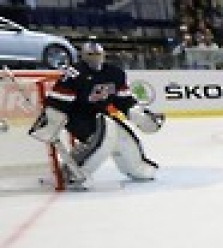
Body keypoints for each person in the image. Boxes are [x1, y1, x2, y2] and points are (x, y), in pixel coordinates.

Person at [29, 41, 163, 189]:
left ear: (104, 55)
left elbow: (124, 100)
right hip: (77, 117)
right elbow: (58, 101)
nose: (95, 57)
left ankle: (138, 169)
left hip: (101, 117)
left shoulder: (115, 73)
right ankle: (72, 172)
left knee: (123, 138)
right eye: (90, 54)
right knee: (104, 140)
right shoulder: (74, 72)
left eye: (98, 54)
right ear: (83, 56)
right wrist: (51, 120)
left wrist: (138, 114)